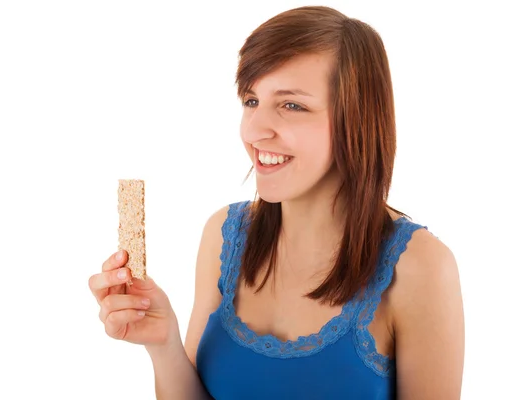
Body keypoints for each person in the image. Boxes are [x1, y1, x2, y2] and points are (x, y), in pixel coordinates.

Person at [88, 5, 464, 399]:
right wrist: (162, 344)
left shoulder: (420, 268)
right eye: (251, 101)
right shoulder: (224, 236)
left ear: (356, 118)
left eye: (291, 105)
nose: (254, 130)